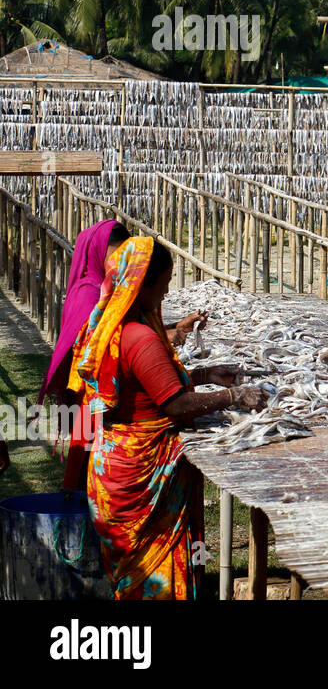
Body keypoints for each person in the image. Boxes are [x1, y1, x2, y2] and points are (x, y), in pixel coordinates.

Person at [69, 237, 265, 600]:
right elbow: (173, 404)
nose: (166, 291)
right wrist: (234, 395)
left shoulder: (117, 329)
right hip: (139, 475)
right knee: (152, 581)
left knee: (130, 583)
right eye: (164, 283)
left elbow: (146, 386)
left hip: (113, 468)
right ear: (143, 283)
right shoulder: (140, 337)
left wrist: (205, 375)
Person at [39, 220, 205, 492]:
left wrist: (172, 330)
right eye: (114, 254)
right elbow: (110, 345)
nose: (118, 261)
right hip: (97, 405)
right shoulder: (90, 293)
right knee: (89, 479)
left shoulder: (103, 291)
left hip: (103, 404)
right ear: (96, 253)